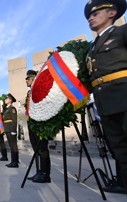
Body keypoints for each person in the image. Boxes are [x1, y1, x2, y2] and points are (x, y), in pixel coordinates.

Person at [85, 0, 127, 194]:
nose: (90, 18)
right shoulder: (92, 47)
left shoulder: (121, 32)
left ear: (112, 12)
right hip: (104, 102)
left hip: (123, 95)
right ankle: (124, 183)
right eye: (88, 17)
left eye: (94, 14)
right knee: (117, 146)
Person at [25, 70, 51, 183]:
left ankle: (45, 175)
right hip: (32, 124)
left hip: (40, 125)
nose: (26, 81)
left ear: (33, 78)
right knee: (36, 150)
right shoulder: (31, 92)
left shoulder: (40, 90)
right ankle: (39, 172)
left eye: (28, 79)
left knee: (42, 149)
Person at [4, 93, 19, 168]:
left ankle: (15, 162)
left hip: (11, 129)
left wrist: (14, 130)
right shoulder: (7, 109)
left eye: (7, 99)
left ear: (10, 100)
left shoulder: (12, 109)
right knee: (11, 146)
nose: (5, 100)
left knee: (13, 146)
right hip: (7, 129)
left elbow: (14, 120)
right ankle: (13, 161)